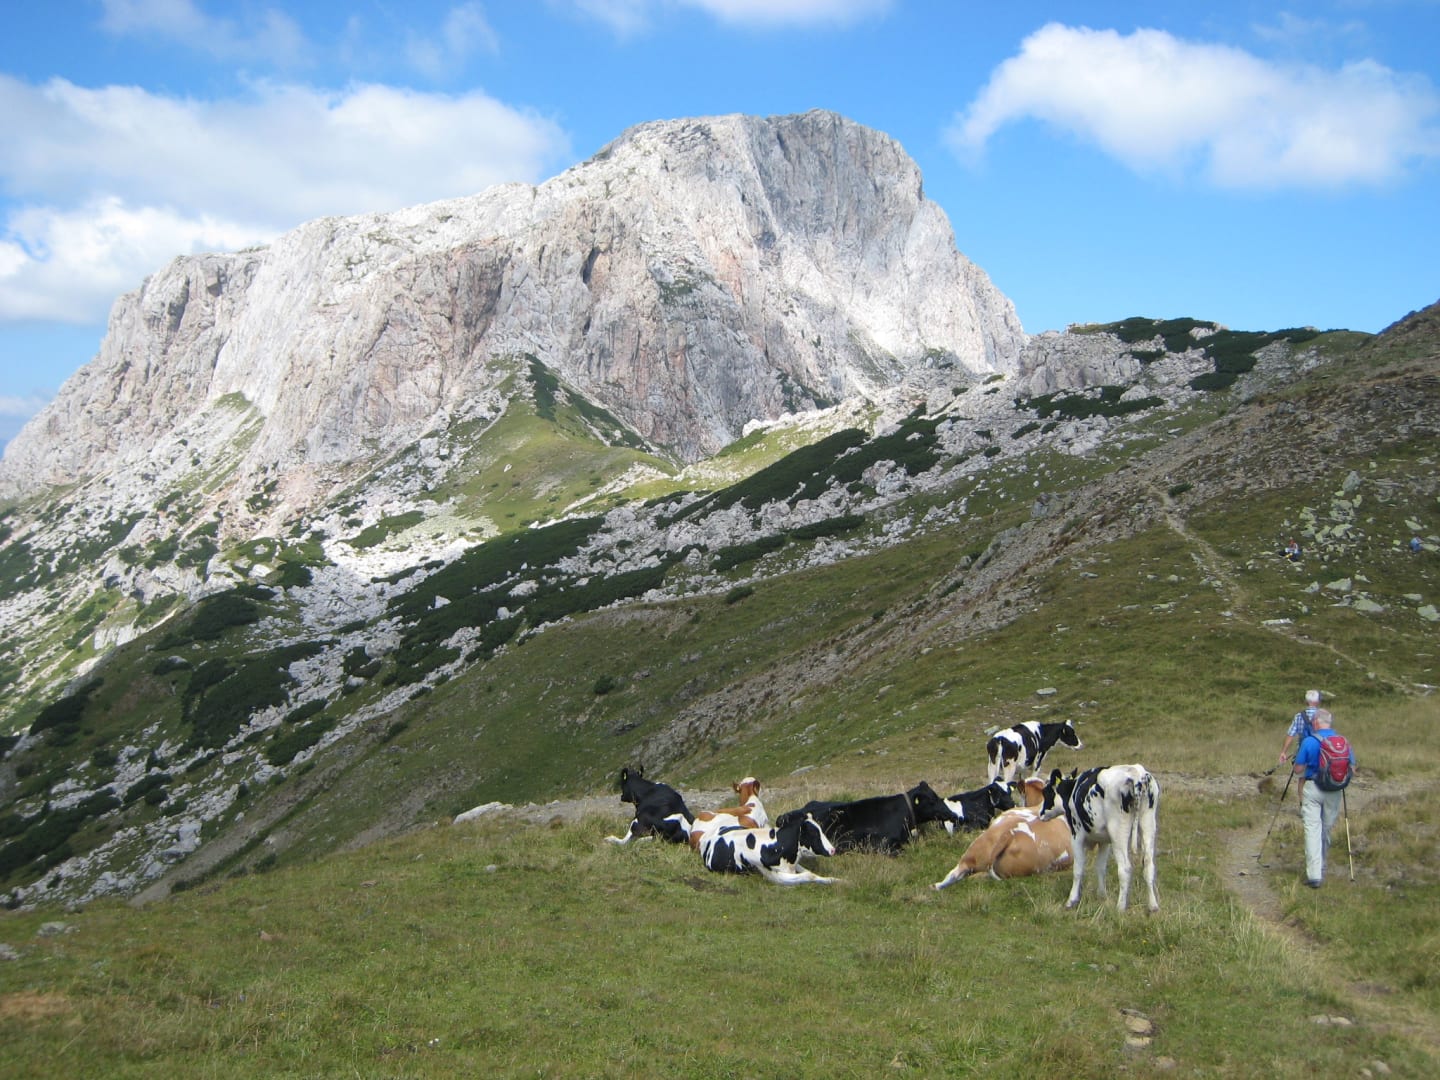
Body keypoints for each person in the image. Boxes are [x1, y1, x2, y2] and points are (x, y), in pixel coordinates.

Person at [1292, 708, 1355, 888]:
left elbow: (1297, 770)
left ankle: (1314, 876)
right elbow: (1353, 768)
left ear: (1316, 722)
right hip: (1334, 790)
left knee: (1312, 829)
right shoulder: (1343, 742)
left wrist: (1303, 765)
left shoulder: (1309, 741)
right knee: (1326, 829)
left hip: (1313, 787)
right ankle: (1323, 865)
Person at [1277, 689, 1321, 765]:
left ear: (1306, 701)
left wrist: (1283, 752)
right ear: (1318, 701)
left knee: (1300, 770)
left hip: (1303, 751)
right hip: (1320, 752)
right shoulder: (1324, 715)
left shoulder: (1299, 716)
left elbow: (1290, 735)